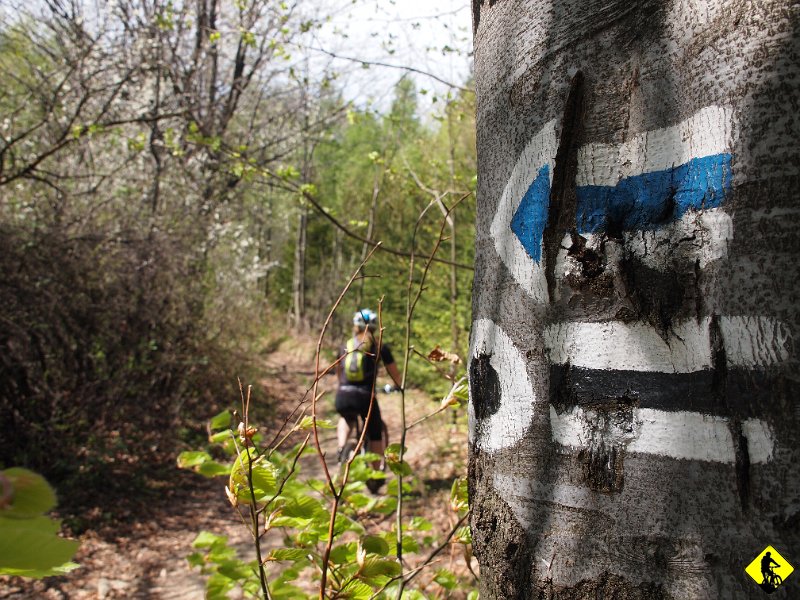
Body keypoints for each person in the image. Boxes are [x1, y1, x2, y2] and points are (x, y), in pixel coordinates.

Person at [335, 309, 402, 473]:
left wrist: (343, 386)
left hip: (343, 394)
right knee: (375, 431)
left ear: (355, 327)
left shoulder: (346, 346)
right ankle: (376, 472)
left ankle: (342, 449)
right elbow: (394, 373)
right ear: (373, 328)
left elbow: (338, 370)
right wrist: (399, 386)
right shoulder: (379, 347)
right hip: (366, 397)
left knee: (346, 417)